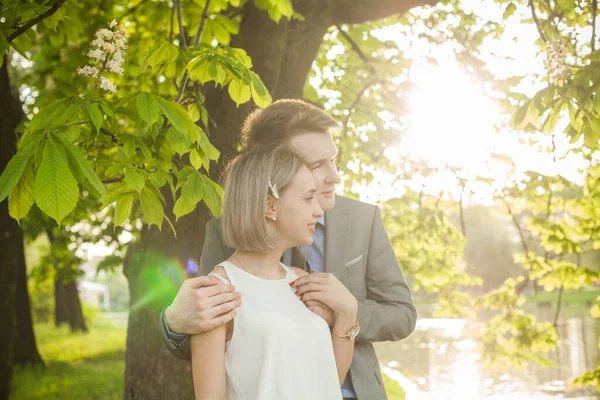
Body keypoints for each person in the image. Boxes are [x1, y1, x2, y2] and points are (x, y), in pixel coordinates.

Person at [160, 99, 417, 400]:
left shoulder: (363, 220)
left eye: (333, 159)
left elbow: (402, 314)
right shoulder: (224, 235)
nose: (333, 175)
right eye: (316, 165)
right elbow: (213, 325)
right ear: (274, 168)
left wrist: (345, 312)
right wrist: (173, 322)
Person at [192, 146, 354, 399]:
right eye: (308, 198)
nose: (319, 211)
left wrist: (348, 313)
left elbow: (328, 383)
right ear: (270, 206)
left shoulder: (302, 282)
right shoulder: (218, 293)